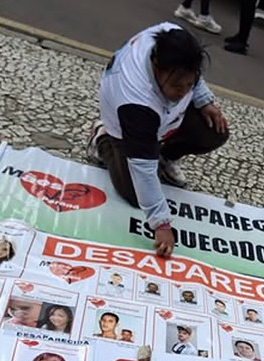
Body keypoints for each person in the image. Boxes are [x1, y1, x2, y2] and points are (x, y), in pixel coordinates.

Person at [87, 24, 229, 258]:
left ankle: (164, 157)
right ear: (156, 67)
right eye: (177, 85)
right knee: (134, 194)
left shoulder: (172, 36)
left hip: (163, 119)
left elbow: (192, 75)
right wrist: (161, 224)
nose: (183, 92)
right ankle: (102, 138)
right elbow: (142, 167)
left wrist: (203, 99)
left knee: (214, 130)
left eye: (189, 84)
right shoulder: (136, 101)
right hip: (125, 127)